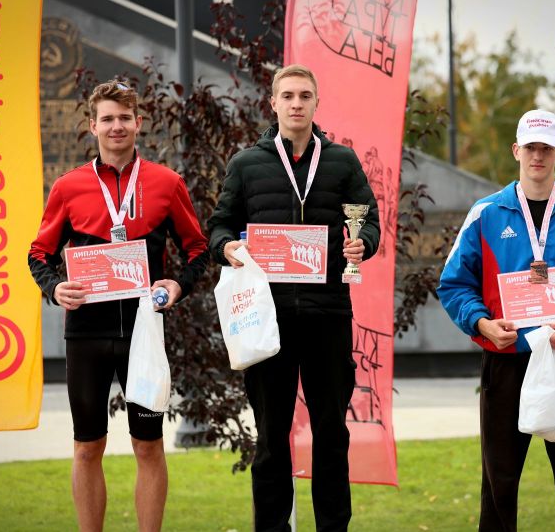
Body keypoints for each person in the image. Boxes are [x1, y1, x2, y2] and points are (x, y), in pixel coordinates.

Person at [437, 109, 555, 530]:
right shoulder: (486, 213)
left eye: (546, 148)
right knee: (499, 488)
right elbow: (453, 284)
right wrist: (482, 324)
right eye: (530, 148)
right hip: (507, 360)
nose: (537, 156)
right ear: (516, 151)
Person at [28, 80, 208, 531]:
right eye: (107, 119)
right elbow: (39, 254)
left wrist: (179, 286)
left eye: (125, 117)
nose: (116, 126)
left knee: (148, 445)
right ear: (92, 126)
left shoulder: (167, 183)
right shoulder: (68, 187)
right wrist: (54, 287)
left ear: (138, 123)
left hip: (144, 334)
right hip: (86, 333)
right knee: (87, 447)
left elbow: (198, 249)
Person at [208, 64, 380, 531]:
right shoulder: (246, 164)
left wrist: (362, 243)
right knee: (270, 437)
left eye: (305, 95)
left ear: (316, 102)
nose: (296, 103)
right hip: (269, 319)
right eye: (288, 96)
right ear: (273, 103)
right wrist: (227, 248)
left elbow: (367, 220)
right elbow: (219, 225)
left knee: (331, 435)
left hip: (327, 315)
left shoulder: (341, 161)